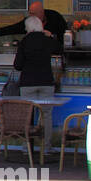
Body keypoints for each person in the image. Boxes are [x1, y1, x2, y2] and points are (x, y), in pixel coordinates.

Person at [12, 15, 59, 156]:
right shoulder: (46, 40)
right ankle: (47, 147)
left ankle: (27, 147)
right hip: (46, 82)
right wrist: (51, 36)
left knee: (27, 115)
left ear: (28, 28)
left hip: (27, 83)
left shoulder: (25, 41)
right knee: (47, 115)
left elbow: (17, 66)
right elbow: (59, 49)